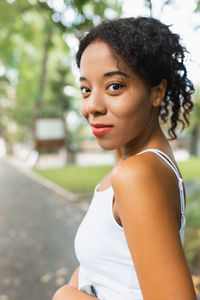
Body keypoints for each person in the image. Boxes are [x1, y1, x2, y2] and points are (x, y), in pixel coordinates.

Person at [52, 17, 197, 300]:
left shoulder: (137, 175)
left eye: (114, 86)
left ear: (157, 92)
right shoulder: (142, 164)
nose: (91, 106)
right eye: (86, 89)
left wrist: (66, 296)